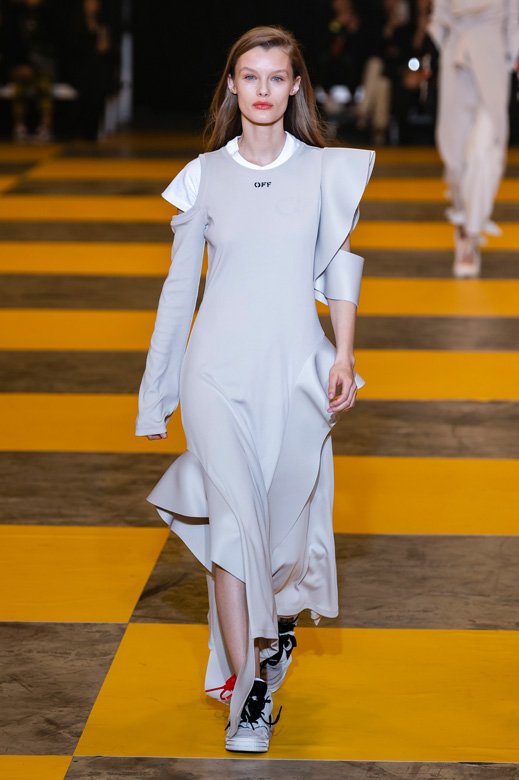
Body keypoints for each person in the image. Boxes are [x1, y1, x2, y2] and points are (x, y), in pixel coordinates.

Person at [135, 25, 375, 754]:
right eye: (250, 76)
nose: (263, 89)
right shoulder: (202, 175)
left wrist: (344, 355)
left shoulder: (325, 172)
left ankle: (276, 630)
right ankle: (249, 695)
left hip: (295, 371)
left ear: (295, 86)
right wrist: (158, 391)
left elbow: (338, 269)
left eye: (276, 77)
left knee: (279, 538)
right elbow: (179, 292)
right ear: (232, 86)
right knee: (235, 530)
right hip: (215, 373)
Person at [429, 0, 519, 277]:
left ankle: (471, 233)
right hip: (455, 55)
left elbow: (515, 14)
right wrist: (446, 47)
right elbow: (439, 16)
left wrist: (510, 55)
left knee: (485, 147)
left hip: (493, 54)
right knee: (455, 155)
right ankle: (462, 219)